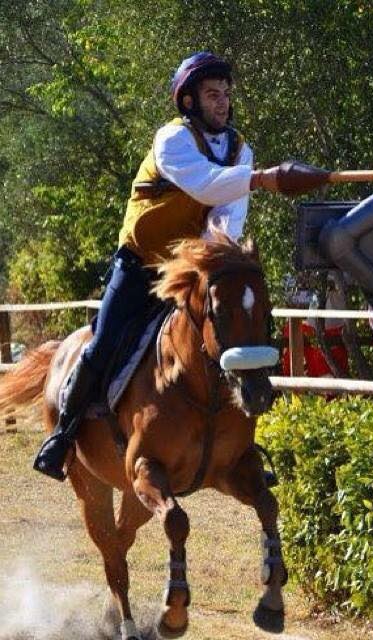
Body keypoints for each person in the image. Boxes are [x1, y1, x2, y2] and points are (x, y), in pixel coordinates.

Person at [33, 51, 310, 481]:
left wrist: (206, 259)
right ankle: (63, 436)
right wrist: (262, 178)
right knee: (104, 340)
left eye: (225, 95)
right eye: (212, 94)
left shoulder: (240, 150)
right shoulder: (172, 141)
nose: (221, 102)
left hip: (189, 269)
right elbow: (204, 184)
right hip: (139, 263)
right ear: (189, 101)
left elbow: (225, 220)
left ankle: (239, 444)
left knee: (227, 332)